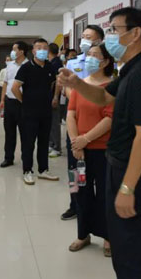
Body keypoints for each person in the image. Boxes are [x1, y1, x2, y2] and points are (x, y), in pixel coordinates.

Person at [58, 8, 141, 279]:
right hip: (130, 169)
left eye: (113, 30)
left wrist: (127, 188)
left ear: (135, 33)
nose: (108, 37)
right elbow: (103, 96)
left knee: (131, 254)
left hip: (139, 176)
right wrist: (76, 83)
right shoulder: (131, 69)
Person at [67, 44, 114, 257]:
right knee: (78, 191)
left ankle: (108, 236)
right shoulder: (80, 84)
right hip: (77, 152)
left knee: (105, 194)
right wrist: (75, 143)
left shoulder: (111, 87)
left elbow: (109, 118)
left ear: (105, 61)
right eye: (89, 55)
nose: (90, 58)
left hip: (102, 151)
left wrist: (85, 139)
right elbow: (71, 115)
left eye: (95, 55)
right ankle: (83, 234)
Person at [60, 26, 104, 220]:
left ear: (99, 41)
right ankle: (75, 204)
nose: (84, 40)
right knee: (75, 172)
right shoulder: (73, 62)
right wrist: (78, 101)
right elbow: (68, 88)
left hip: (98, 125)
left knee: (98, 175)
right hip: (76, 119)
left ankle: (97, 210)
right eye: (83, 36)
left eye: (89, 37)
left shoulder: (106, 65)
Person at [12, 39, 60, 185]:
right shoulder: (26, 67)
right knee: (28, 142)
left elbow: (55, 82)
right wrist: (24, 101)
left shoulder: (50, 66)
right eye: (39, 47)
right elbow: (15, 88)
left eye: (45, 48)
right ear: (33, 51)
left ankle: (43, 170)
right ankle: (27, 171)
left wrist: (55, 97)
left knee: (44, 142)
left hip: (46, 111)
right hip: (29, 112)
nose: (42, 50)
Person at [0, 42, 28, 168]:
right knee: (9, 132)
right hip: (9, 102)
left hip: (22, 103)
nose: (12, 52)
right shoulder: (10, 65)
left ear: (21, 51)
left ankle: (26, 158)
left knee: (25, 133)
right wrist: (2, 100)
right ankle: (8, 158)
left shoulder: (28, 66)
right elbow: (5, 83)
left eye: (14, 49)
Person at [48, 43, 64, 157]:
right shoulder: (51, 63)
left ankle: (57, 147)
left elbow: (58, 81)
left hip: (54, 97)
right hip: (49, 97)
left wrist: (55, 97)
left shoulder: (56, 63)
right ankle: (51, 143)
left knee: (54, 123)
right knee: (49, 122)